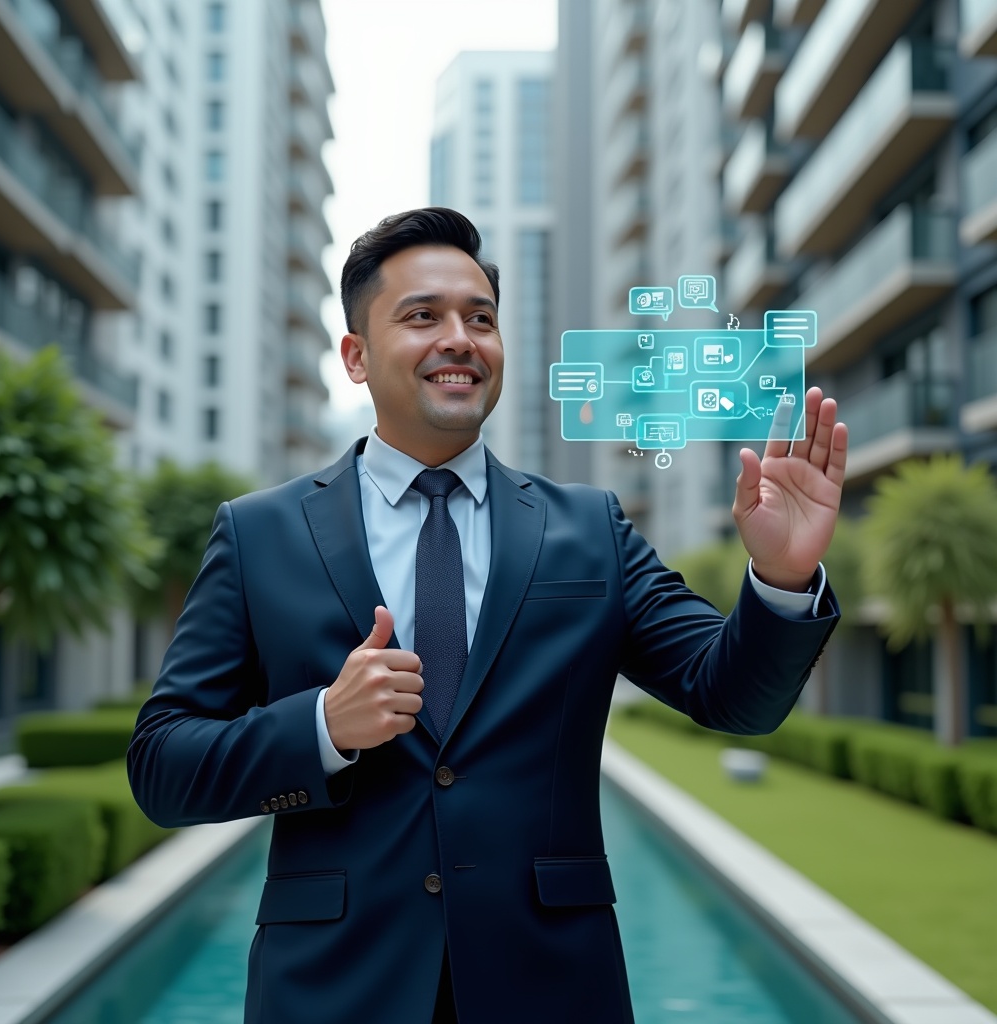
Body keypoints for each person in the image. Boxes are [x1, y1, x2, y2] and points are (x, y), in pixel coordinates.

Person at [128, 207, 847, 1024]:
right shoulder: (260, 534)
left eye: (481, 318)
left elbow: (734, 699)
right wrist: (323, 726)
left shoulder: (589, 530)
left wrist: (782, 577)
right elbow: (162, 766)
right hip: (333, 991)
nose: (461, 338)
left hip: (550, 988)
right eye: (422, 316)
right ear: (356, 357)